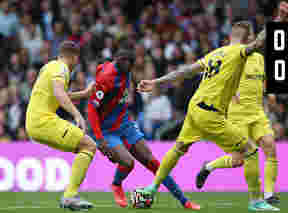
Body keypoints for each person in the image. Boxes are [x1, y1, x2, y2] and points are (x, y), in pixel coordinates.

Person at [135, 20, 279, 211]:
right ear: (248, 38)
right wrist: (278, 21)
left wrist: (156, 81)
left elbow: (186, 71)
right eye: (251, 36)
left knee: (179, 148)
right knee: (250, 151)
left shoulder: (216, 53)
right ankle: (256, 202)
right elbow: (259, 43)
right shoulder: (239, 51)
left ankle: (151, 188)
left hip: (195, 107)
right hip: (211, 113)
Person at [73, 48, 200, 210]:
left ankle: (184, 201)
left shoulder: (127, 71)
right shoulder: (106, 78)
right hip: (107, 130)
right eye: (123, 61)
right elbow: (91, 108)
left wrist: (140, 86)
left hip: (125, 124)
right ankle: (116, 184)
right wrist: (100, 139)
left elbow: (118, 85)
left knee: (154, 163)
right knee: (128, 162)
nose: (127, 65)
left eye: (130, 62)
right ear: (118, 60)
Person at [196, 1, 288, 206]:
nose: (253, 37)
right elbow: (218, 80)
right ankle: (208, 166)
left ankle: (268, 194)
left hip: (257, 113)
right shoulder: (233, 56)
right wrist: (230, 93)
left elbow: (262, 82)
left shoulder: (258, 59)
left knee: (270, 147)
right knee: (239, 159)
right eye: (251, 34)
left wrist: (270, 97)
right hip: (237, 114)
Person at [26, 41, 96, 211]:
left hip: (34, 122)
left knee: (86, 146)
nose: (77, 63)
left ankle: (70, 196)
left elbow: (57, 95)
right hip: (43, 121)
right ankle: (70, 196)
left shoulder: (49, 66)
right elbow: (58, 92)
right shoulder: (62, 69)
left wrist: (84, 94)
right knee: (89, 145)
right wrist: (77, 114)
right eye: (77, 59)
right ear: (73, 57)